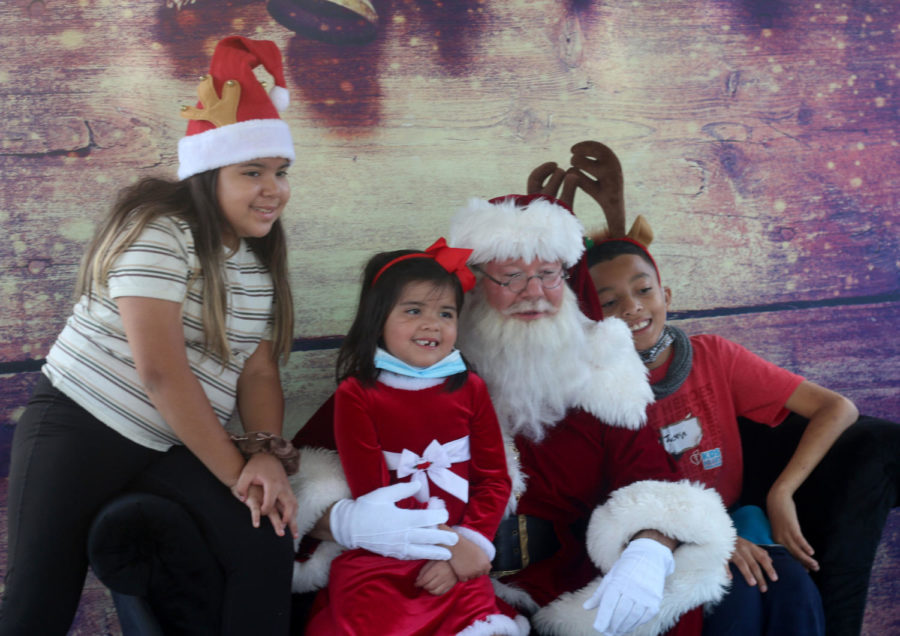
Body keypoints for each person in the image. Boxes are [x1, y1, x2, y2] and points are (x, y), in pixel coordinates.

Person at [292, 193, 737, 636]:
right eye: (511, 277)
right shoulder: (407, 376)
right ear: (474, 286)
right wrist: (348, 523)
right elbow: (306, 475)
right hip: (425, 586)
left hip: (564, 587)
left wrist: (647, 552)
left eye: (547, 274)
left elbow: (653, 484)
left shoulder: (601, 379)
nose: (534, 293)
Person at [0, 35, 300, 636]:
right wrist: (235, 470)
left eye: (280, 171)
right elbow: (160, 370)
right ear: (208, 173)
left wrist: (265, 452)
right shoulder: (160, 230)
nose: (273, 188)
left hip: (173, 443)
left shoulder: (259, 259)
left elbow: (259, 368)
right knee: (39, 602)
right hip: (81, 428)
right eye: (252, 172)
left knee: (264, 538)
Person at [585, 235, 858, 635]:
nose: (632, 307)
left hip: (738, 524)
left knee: (796, 593)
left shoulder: (714, 356)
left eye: (644, 290)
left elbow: (838, 409)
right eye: (610, 302)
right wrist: (707, 542)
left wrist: (781, 493)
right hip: (654, 546)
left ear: (667, 295)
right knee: (737, 601)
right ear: (590, 316)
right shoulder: (593, 390)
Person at [304, 239, 522, 635]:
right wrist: (444, 547)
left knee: (475, 617)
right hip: (387, 548)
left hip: (461, 550)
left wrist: (467, 546)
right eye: (413, 310)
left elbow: (494, 479)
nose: (431, 324)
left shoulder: (470, 388)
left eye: (445, 313)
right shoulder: (358, 394)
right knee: (367, 614)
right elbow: (374, 492)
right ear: (378, 318)